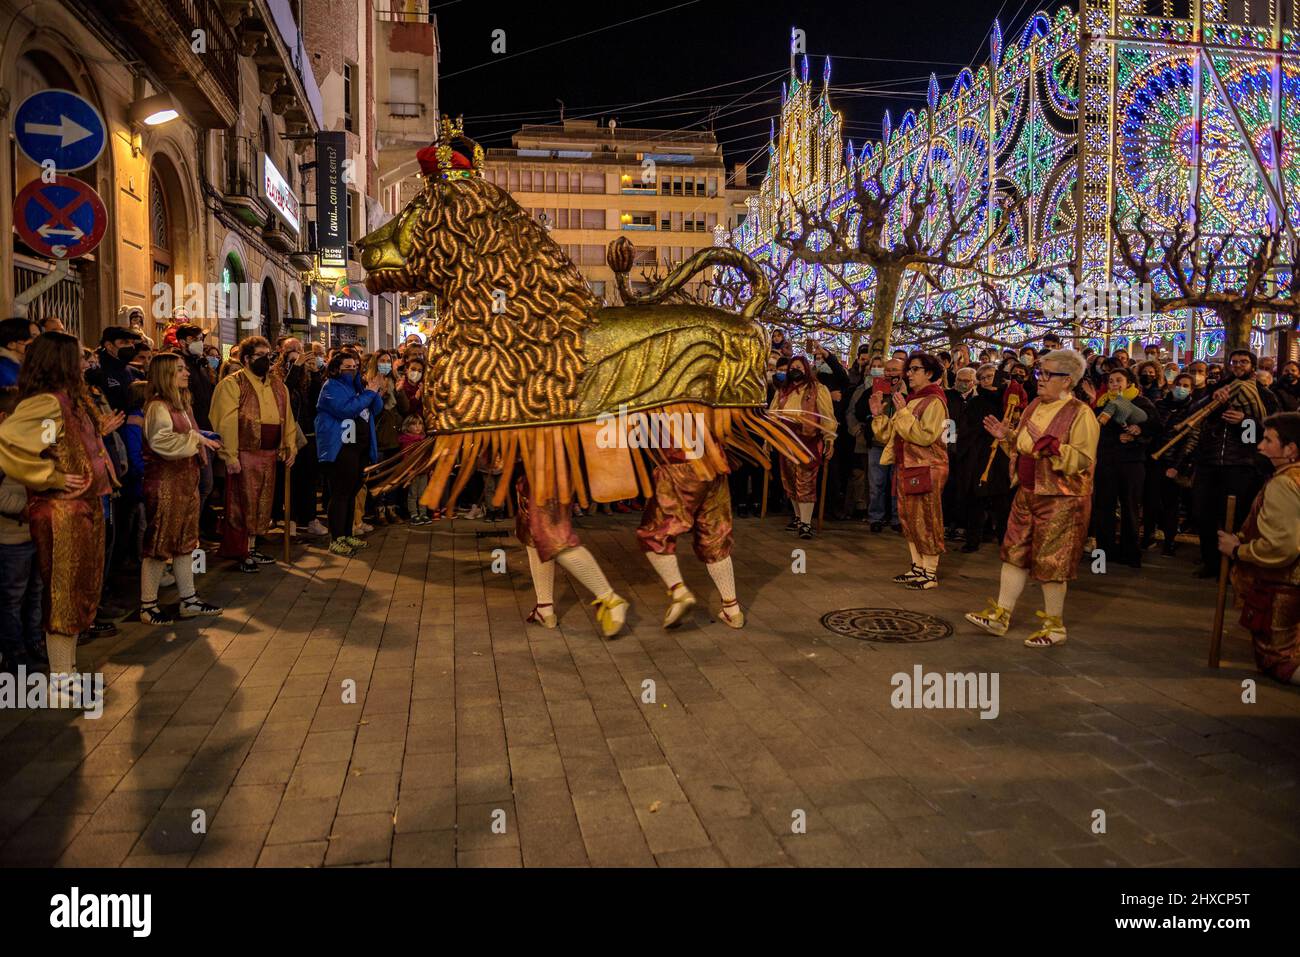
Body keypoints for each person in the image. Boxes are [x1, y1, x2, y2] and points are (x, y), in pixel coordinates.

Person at [0, 333, 115, 701]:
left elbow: (56, 443)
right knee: (62, 593)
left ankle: (69, 673)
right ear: (61, 362)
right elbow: (11, 441)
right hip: (62, 512)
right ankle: (61, 681)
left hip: (83, 507)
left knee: (78, 591)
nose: (85, 363)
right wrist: (48, 477)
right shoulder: (48, 403)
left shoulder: (71, 401)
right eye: (78, 358)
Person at [966, 349, 1100, 647]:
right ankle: (1001, 615)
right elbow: (1025, 444)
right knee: (1014, 551)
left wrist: (1051, 448)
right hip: (1027, 491)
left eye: (1047, 374)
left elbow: (1082, 459)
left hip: (1061, 497)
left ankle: (1055, 627)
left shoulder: (1081, 413)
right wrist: (1008, 436)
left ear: (1068, 381)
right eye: (1040, 372)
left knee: (1052, 561)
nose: (1039, 379)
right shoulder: (1035, 405)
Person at [1175, 350, 1279, 578]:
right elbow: (1193, 413)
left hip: (1241, 464)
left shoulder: (1264, 394)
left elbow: (1267, 429)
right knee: (1204, 513)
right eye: (1234, 362)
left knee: (1238, 516)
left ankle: (1234, 564)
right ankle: (1210, 562)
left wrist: (1246, 422)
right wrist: (1212, 399)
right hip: (1210, 462)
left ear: (1252, 365)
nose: (1239, 366)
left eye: (1244, 362)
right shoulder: (1219, 389)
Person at [138, 354, 223, 624]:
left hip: (186, 481)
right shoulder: (158, 406)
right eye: (180, 370)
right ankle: (148, 605)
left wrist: (202, 437)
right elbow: (160, 441)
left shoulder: (181, 404)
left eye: (185, 369)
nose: (186, 373)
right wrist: (195, 438)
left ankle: (188, 598)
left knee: (186, 542)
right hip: (166, 482)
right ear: (165, 375)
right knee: (159, 542)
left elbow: (185, 435)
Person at [1219, 412, 1300, 685]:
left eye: (1268, 440)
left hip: (1284, 585)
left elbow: (1282, 546)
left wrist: (1237, 549)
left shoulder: (1285, 483)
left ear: (1290, 449)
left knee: (1278, 659)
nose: (1260, 446)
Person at [209, 336, 299, 572]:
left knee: (262, 503)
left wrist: (290, 445)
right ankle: (239, 550)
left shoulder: (278, 385)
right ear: (247, 359)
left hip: (268, 453)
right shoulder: (232, 384)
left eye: (268, 355)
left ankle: (252, 544)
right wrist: (229, 455)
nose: (266, 360)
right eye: (260, 355)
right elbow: (225, 421)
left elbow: (287, 417)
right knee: (241, 503)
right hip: (243, 452)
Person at [871, 351, 949, 590]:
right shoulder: (912, 399)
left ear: (929, 373)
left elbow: (925, 436)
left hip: (927, 467)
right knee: (909, 518)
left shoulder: (934, 400)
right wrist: (878, 415)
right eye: (909, 369)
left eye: (915, 369)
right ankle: (917, 566)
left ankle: (930, 571)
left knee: (926, 517)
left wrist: (903, 412)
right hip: (907, 465)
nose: (909, 374)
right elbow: (890, 435)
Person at [514, 473, 628, 637]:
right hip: (545, 475)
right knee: (533, 535)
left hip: (545, 474)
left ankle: (611, 599)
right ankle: (544, 608)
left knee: (555, 539)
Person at [1089, 366, 1160, 568]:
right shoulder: (1104, 404)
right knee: (1104, 508)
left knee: (1130, 507)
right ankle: (1104, 552)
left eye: (1118, 380)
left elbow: (1156, 426)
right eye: (1111, 381)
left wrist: (1139, 431)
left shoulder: (1141, 402)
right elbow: (1095, 430)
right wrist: (1114, 438)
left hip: (1132, 462)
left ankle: (1131, 553)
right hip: (1107, 462)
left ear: (1129, 382)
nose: (1114, 384)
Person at [316, 352, 383, 556]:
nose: (352, 370)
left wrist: (374, 391)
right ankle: (336, 538)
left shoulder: (358, 386)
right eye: (347, 366)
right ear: (336, 369)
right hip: (341, 448)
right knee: (340, 493)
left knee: (352, 491)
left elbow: (376, 409)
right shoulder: (331, 387)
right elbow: (345, 409)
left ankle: (347, 533)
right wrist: (369, 394)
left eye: (355, 366)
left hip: (358, 447)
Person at [0, 388, 46, 674]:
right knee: (12, 598)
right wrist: (27, 507)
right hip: (11, 535)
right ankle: (15, 652)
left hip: (33, 532)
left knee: (34, 593)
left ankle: (34, 643)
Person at [769, 355, 835, 538]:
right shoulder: (783, 390)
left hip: (808, 440)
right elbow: (774, 413)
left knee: (805, 481)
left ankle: (806, 523)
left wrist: (830, 439)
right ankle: (798, 517)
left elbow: (827, 415)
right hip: (786, 439)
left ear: (806, 368)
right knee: (789, 480)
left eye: (799, 366)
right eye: (792, 367)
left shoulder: (817, 389)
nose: (794, 370)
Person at [863, 356, 904, 533]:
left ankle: (897, 519)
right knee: (876, 484)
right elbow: (858, 411)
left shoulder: (909, 394)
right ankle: (876, 518)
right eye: (888, 370)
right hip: (877, 444)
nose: (891, 373)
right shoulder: (873, 391)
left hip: (899, 444)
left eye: (895, 370)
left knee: (897, 484)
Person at [0, 317, 39, 387]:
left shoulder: (23, 365)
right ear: (11, 344)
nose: (40, 341)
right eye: (33, 337)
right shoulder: (4, 370)